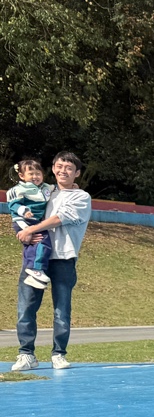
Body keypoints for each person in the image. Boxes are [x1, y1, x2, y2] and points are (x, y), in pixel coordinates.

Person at [13, 151, 90, 372]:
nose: (63, 171)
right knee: (26, 307)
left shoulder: (81, 197)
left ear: (77, 173)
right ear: (53, 168)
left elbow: (59, 218)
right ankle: (26, 354)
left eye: (69, 168)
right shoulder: (44, 191)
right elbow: (21, 205)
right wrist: (22, 231)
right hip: (35, 258)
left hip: (63, 259)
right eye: (59, 166)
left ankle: (58, 354)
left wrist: (32, 230)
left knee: (61, 310)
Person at [7, 157, 52, 290]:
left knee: (35, 243)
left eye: (38, 173)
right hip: (24, 220)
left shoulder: (45, 187)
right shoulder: (19, 189)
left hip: (35, 221)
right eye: (31, 174)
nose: (35, 177)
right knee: (43, 242)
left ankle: (32, 272)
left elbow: (55, 189)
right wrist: (24, 211)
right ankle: (35, 269)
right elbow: (13, 205)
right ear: (22, 176)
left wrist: (73, 186)